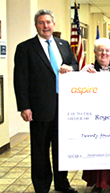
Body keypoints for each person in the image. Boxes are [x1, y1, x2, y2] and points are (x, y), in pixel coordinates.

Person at [13, 9, 78, 193]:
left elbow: (75, 64)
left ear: (54, 24)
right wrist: (24, 106)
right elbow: (20, 79)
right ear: (36, 26)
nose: (45, 26)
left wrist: (70, 68)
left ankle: (62, 183)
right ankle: (42, 186)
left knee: (61, 148)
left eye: (48, 22)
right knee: (40, 150)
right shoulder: (25, 48)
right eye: (41, 23)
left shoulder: (64, 44)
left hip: (64, 106)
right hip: (39, 108)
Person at [81, 38, 110, 193]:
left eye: (107, 50)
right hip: (94, 120)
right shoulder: (86, 70)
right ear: (95, 52)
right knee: (97, 151)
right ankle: (98, 183)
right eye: (100, 50)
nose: (104, 53)